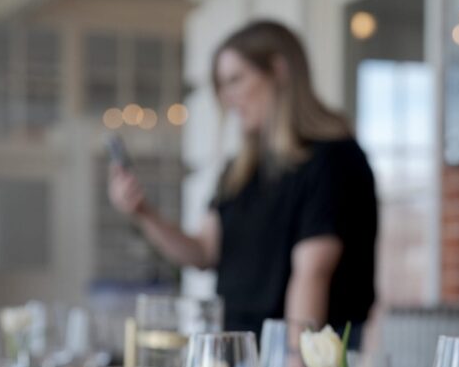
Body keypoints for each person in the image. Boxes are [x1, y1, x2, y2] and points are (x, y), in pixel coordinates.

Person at [108, 20, 378, 344]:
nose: (228, 96)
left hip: (302, 357)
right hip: (238, 353)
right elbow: (203, 252)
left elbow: (313, 273)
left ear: (278, 71)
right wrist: (143, 212)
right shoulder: (238, 172)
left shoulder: (332, 159)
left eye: (236, 79)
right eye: (222, 85)